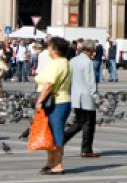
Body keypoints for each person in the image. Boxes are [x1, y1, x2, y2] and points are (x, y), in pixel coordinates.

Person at [34, 37, 72, 175]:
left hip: (57, 102)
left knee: (56, 134)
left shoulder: (56, 64)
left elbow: (49, 84)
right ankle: (51, 163)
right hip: (63, 100)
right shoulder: (66, 63)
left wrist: (39, 101)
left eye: (49, 47)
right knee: (51, 133)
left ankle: (57, 165)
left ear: (54, 50)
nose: (47, 49)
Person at [64, 40, 100, 157]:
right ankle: (86, 150)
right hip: (87, 98)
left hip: (76, 97)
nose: (94, 53)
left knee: (79, 123)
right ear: (90, 51)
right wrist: (96, 97)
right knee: (89, 125)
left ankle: (60, 140)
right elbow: (91, 82)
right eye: (93, 51)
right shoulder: (88, 63)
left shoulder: (73, 60)